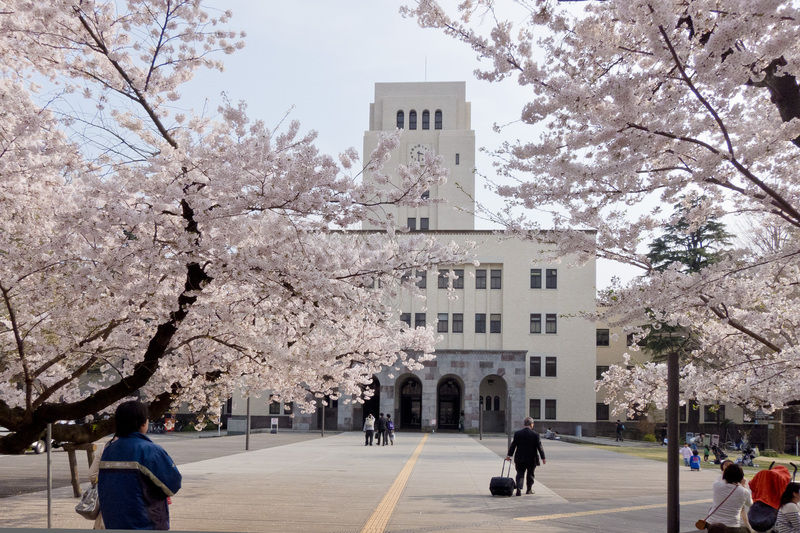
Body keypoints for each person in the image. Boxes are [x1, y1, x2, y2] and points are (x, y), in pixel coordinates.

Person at [98, 400, 182, 530]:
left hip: (113, 523)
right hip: (146, 524)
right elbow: (173, 484)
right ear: (143, 423)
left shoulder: (109, 450)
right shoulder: (150, 451)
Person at [706, 463, 753, 533]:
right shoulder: (744, 491)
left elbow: (722, 478)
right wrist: (743, 485)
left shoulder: (716, 485)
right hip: (731, 526)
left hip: (712, 523)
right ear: (741, 477)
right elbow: (751, 504)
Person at [505, 416, 546, 497]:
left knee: (520, 473)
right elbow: (539, 447)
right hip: (531, 459)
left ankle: (519, 489)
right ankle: (529, 489)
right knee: (530, 474)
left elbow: (513, 446)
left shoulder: (518, 434)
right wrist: (543, 458)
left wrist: (509, 456)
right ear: (531, 424)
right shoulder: (535, 435)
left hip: (519, 458)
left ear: (524, 424)